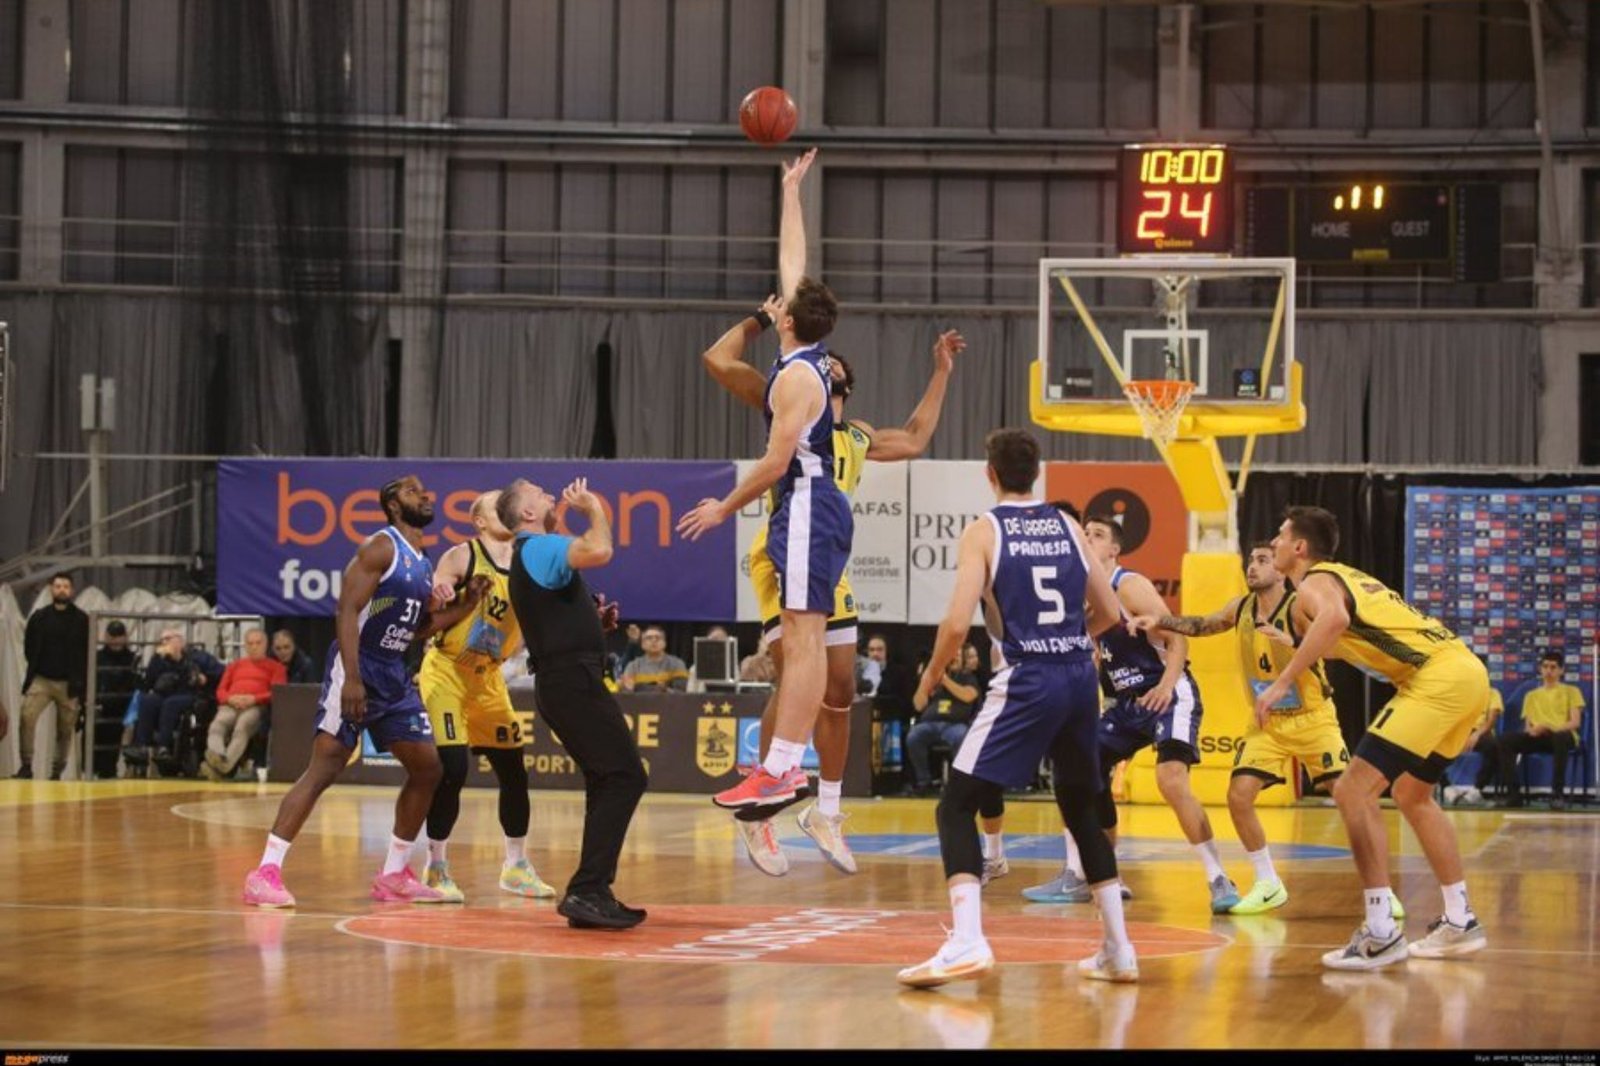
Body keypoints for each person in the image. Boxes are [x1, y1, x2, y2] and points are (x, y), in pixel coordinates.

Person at [695, 146, 963, 877]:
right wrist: (790, 192)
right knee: (803, 657)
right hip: (804, 520)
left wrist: (722, 506)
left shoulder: (814, 398)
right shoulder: (795, 367)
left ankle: (786, 774)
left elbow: (788, 463)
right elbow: (792, 266)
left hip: (810, 510)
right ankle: (780, 788)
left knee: (813, 659)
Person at [897, 428, 1136, 988]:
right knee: (1081, 810)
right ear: (1037, 471)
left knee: (955, 805)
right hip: (1080, 675)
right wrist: (1073, 641)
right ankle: (1119, 949)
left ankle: (966, 940)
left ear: (990, 473)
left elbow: (957, 624)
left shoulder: (984, 530)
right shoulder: (1069, 525)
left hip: (1029, 676)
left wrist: (931, 677)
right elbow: (1109, 613)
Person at [1256, 505, 1490, 969]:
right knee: (1413, 794)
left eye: (1280, 537)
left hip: (1435, 679)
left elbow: (1335, 622)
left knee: (1352, 789)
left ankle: (1381, 931)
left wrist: (1282, 682)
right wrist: (1297, 645)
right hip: (1466, 672)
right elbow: (1350, 639)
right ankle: (1460, 919)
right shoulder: (1347, 578)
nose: (1274, 543)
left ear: (1299, 548)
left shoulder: (1315, 582)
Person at [1130, 542, 1404, 919]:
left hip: (1313, 720)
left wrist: (1296, 642)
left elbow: (1338, 644)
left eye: (1262, 560)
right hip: (1267, 723)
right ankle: (1268, 882)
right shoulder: (1240, 608)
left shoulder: (1299, 607)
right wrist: (1159, 621)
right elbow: (1202, 624)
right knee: (1239, 796)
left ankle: (1382, 890)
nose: (1253, 567)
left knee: (1351, 799)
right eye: (1251, 561)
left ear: (1279, 569)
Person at [243, 475, 448, 908]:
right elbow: (347, 610)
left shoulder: (423, 560)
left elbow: (416, 631)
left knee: (428, 768)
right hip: (359, 666)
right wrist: (352, 678)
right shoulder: (381, 547)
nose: (424, 494)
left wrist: (466, 605)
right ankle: (265, 871)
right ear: (393, 506)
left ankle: (393, 874)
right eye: (412, 490)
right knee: (326, 767)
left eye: (422, 489)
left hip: (393, 672)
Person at [1022, 513, 1239, 913]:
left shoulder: (1130, 584)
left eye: (1098, 534)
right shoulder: (1079, 595)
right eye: (1084, 533)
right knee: (1077, 771)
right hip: (1124, 703)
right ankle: (1089, 874)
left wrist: (1166, 686)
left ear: (1114, 549)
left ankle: (1219, 878)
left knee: (1170, 780)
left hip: (1166, 691)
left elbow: (1178, 641)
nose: (1088, 537)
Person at [499, 476, 648, 929]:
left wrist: (590, 620)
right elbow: (599, 550)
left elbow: (552, 617)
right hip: (571, 681)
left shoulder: (533, 557)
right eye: (539, 495)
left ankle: (591, 892)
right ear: (527, 514)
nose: (550, 496)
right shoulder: (539, 547)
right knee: (625, 777)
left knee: (608, 780)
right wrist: (594, 509)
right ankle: (587, 890)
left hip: (564, 680)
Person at [415, 490, 558, 902]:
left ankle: (516, 866)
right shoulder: (464, 554)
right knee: (453, 767)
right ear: (479, 520)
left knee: (514, 771)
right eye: (498, 503)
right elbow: (440, 586)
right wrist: (441, 590)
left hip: (489, 678)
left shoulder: (529, 559)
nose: (507, 506)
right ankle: (436, 866)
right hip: (448, 670)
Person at [17, 573, 90, 779]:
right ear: (51, 588)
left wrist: (80, 684)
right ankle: (26, 765)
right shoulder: (39, 617)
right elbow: (29, 647)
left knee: (66, 729)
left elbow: (86, 651)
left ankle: (56, 771)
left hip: (69, 682)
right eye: (58, 586)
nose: (62, 590)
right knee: (26, 717)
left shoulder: (81, 619)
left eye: (66, 586)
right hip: (42, 678)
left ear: (72, 590)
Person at [125, 628, 222, 775]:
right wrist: (154, 663)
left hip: (189, 693)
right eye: (163, 640)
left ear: (181, 641)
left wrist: (201, 677)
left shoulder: (196, 657)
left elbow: (216, 673)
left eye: (169, 639)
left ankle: (164, 747)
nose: (165, 643)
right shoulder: (159, 658)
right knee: (147, 700)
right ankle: (142, 746)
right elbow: (149, 683)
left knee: (171, 704)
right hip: (164, 694)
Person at [1498, 651, 1586, 810]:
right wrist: (1533, 731)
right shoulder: (1531, 695)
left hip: (1563, 737)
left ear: (1561, 670)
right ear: (1540, 669)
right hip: (1540, 737)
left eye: (1553, 667)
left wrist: (1550, 727)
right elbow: (1528, 727)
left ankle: (1557, 795)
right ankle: (1514, 795)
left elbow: (1575, 722)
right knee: (1505, 740)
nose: (1549, 671)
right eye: (1545, 666)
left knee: (1560, 737)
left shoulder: (1571, 691)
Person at [204, 628, 287, 781]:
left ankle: (223, 766)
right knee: (217, 725)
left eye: (258, 643)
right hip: (231, 704)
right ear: (245, 646)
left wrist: (254, 699)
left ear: (265, 644)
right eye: (250, 643)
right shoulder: (234, 666)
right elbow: (221, 690)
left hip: (255, 706)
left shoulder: (276, 667)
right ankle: (219, 758)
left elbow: (277, 692)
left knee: (242, 727)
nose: (254, 646)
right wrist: (230, 699)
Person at [903, 646, 982, 796]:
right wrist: (925, 682)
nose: (955, 658)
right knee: (914, 736)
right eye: (952, 655)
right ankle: (923, 782)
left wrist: (945, 680)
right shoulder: (934, 679)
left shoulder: (968, 677)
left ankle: (958, 784)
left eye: (958, 655)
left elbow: (968, 696)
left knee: (961, 736)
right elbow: (918, 705)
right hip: (930, 723)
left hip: (955, 725)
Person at [94, 621, 143, 779]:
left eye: (119, 636)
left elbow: (136, 684)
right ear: (106, 637)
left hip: (124, 707)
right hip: (101, 704)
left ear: (125, 637)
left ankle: (109, 771)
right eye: (113, 636)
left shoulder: (132, 659)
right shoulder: (98, 658)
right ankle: (100, 770)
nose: (116, 640)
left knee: (113, 737)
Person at [619, 626, 689, 693]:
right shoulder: (633, 666)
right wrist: (627, 688)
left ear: (665, 643)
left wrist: (665, 690)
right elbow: (626, 695)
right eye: (649, 638)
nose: (654, 640)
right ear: (642, 644)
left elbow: (682, 693)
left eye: (658, 638)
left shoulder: (677, 664)